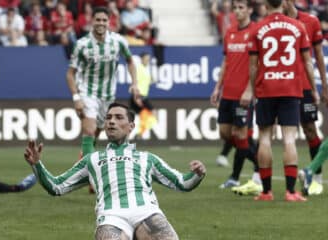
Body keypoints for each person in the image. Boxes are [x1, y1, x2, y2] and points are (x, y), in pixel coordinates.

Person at [23, 102, 206, 240]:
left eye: (119, 118)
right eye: (109, 118)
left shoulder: (147, 158)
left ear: (131, 126)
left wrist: (197, 174)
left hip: (147, 212)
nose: (111, 122)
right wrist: (37, 164)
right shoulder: (92, 160)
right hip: (111, 217)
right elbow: (57, 187)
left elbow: (183, 183)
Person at [241, 0, 320, 201]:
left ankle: (266, 192)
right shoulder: (298, 26)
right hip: (290, 89)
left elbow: (252, 66)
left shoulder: (257, 28)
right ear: (283, 5)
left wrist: (253, 90)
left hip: (266, 89)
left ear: (265, 5)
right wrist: (314, 89)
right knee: (289, 139)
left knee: (265, 138)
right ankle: (290, 191)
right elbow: (308, 62)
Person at [66, 6, 141, 161]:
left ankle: (85, 155)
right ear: (92, 21)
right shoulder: (82, 44)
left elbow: (130, 62)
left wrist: (135, 84)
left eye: (104, 20)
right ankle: (90, 174)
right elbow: (70, 74)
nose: (101, 23)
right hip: (87, 92)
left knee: (96, 134)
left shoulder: (118, 41)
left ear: (109, 22)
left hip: (107, 96)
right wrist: (76, 98)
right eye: (98, 20)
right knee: (89, 130)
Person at [210, 0, 261, 195]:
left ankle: (235, 177)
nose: (238, 11)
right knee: (226, 134)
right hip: (227, 94)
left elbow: (256, 65)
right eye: (235, 8)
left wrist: (249, 90)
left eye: (241, 8)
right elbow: (225, 62)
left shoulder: (255, 32)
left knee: (240, 135)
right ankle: (260, 163)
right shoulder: (230, 33)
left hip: (243, 96)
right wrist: (217, 88)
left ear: (249, 10)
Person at [283, 0, 328, 196]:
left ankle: (316, 177)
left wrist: (324, 86)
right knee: (268, 131)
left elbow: (318, 55)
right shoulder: (271, 25)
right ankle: (259, 180)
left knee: (310, 130)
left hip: (305, 87)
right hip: (281, 87)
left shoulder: (310, 21)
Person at [129, 52, 156, 137]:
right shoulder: (139, 68)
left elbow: (146, 81)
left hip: (142, 95)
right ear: (141, 59)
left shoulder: (145, 69)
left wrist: (151, 80)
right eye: (146, 59)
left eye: (148, 59)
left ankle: (140, 132)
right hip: (139, 95)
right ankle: (141, 131)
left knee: (133, 114)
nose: (147, 60)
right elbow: (135, 81)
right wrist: (136, 96)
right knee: (152, 112)